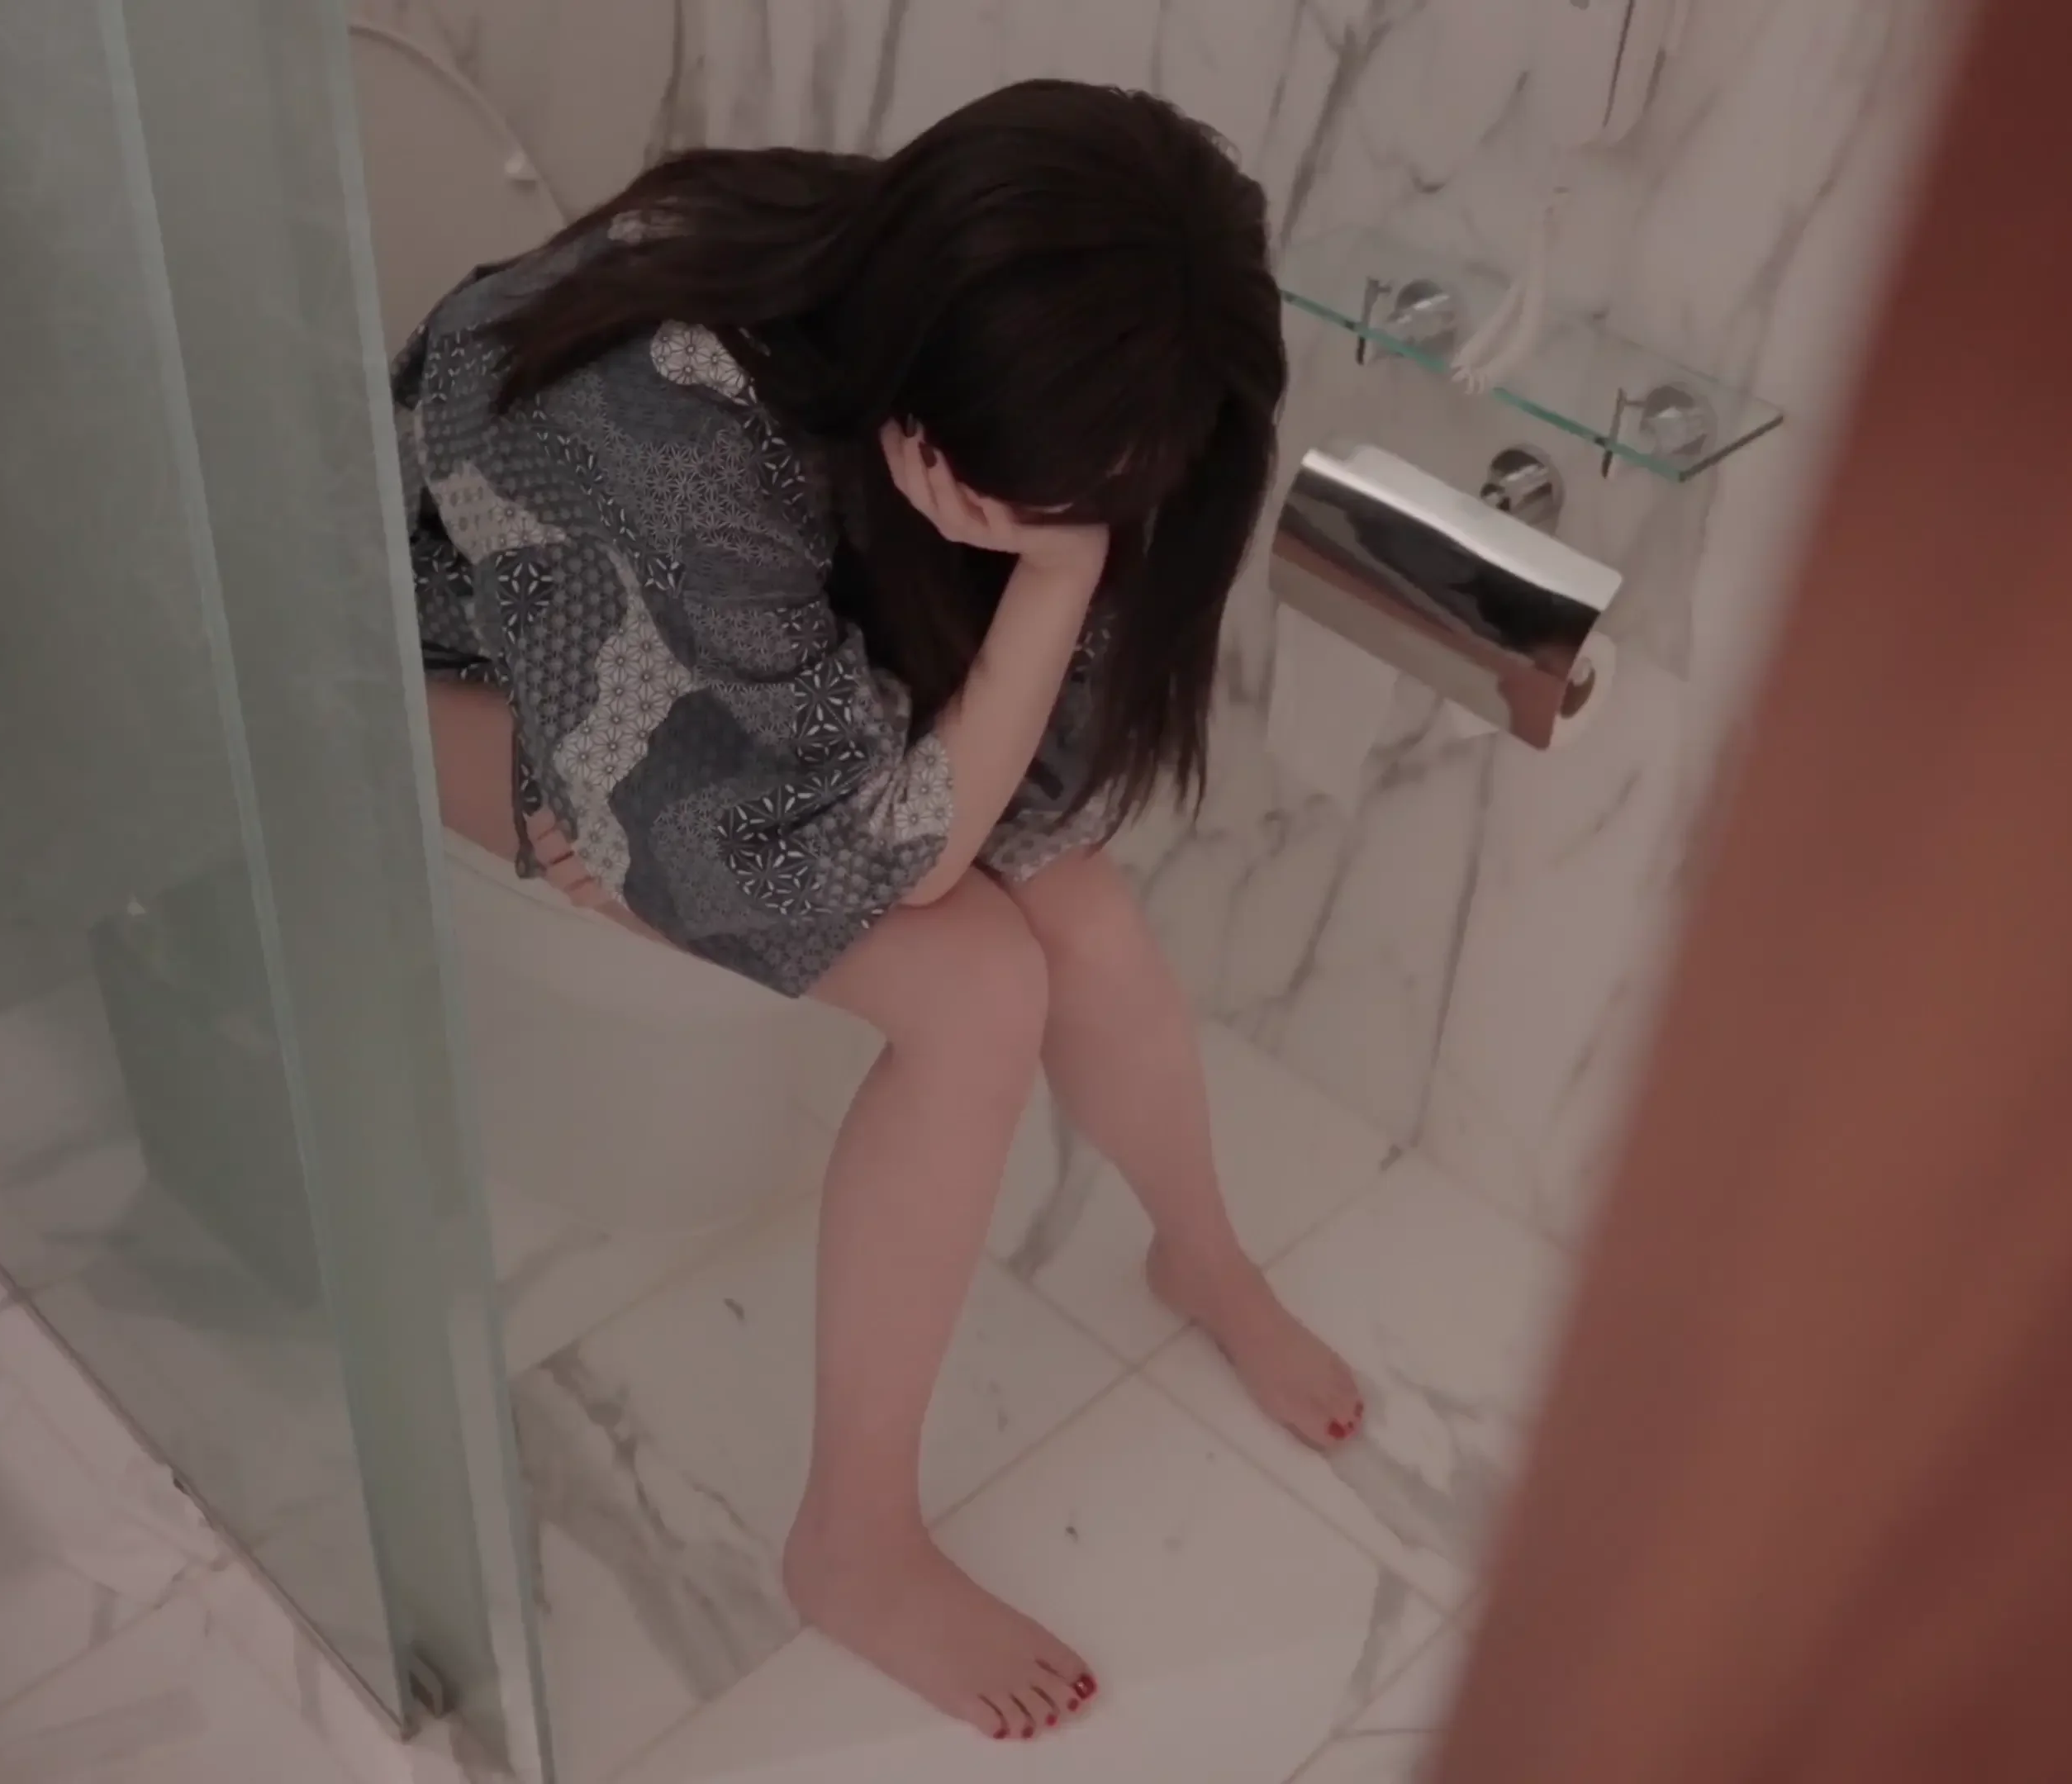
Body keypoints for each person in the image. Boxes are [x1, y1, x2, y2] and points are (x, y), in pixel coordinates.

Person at [396, 80, 1363, 1741]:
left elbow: (1012, 772)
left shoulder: (946, 288)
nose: (1090, 528)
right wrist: (1055, 577)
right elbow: (904, 855)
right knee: (974, 986)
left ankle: (1200, 1258)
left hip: (723, 633)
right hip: (447, 662)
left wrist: (1058, 566)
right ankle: (853, 1541)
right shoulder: (665, 434)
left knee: (1084, 918)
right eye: (1060, 500)